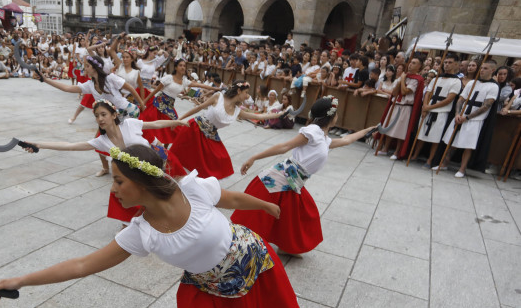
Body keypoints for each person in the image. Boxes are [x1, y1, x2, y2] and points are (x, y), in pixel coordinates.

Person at [0, 143, 328, 308]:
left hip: (252, 255)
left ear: (141, 182)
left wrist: (266, 204)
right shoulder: (140, 233)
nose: (113, 189)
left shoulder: (192, 189)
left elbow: (233, 200)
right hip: (211, 283)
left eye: (119, 181)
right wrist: (21, 280)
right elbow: (82, 265)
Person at [233, 96, 377, 255]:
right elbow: (284, 146)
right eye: (336, 114)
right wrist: (254, 157)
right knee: (258, 217)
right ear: (330, 116)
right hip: (279, 178)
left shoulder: (324, 138)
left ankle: (285, 246)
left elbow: (346, 140)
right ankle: (246, 244)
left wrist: (367, 130)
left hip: (295, 183)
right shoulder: (312, 131)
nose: (337, 117)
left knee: (299, 215)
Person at [15, 99, 186, 223]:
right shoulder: (101, 141)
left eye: (103, 114)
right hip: (138, 172)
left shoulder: (130, 124)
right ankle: (133, 221)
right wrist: (38, 144)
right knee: (124, 191)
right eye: (97, 116)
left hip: (160, 160)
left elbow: (155, 124)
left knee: (179, 188)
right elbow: (70, 145)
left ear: (113, 115)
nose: (100, 119)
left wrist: (176, 121)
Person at [168, 81, 289, 179]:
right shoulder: (218, 97)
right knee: (177, 156)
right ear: (238, 91)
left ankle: (194, 184)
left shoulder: (238, 111)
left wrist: (278, 115)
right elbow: (199, 108)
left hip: (210, 135)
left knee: (221, 161)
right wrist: (179, 120)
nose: (247, 95)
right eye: (246, 92)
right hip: (195, 128)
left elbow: (258, 116)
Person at [436, 60, 500, 178]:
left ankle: (462, 169)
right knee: (452, 141)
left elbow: (486, 105)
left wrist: (468, 117)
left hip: (474, 120)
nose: (482, 70)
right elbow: (461, 99)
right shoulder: (472, 83)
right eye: (481, 68)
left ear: (492, 70)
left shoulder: (494, 86)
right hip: (461, 116)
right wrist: (457, 114)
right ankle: (444, 163)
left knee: (468, 145)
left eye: (485, 68)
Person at [139, 59, 219, 143]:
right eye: (180, 65)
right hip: (158, 104)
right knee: (153, 125)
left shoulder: (185, 81)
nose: (183, 67)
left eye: (184, 66)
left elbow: (201, 85)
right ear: (176, 67)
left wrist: (215, 88)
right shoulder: (168, 78)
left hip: (169, 107)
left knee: (174, 128)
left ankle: (165, 148)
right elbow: (155, 91)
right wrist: (144, 102)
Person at [412, 53, 462, 168]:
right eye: (445, 62)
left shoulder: (456, 81)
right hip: (428, 109)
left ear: (456, 64)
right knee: (421, 134)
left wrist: (430, 107)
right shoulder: (436, 79)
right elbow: (428, 93)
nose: (447, 65)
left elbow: (449, 99)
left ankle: (430, 160)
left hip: (441, 113)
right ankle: (415, 155)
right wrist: (425, 106)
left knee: (435, 137)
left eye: (450, 62)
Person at [378, 56, 425, 160]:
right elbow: (395, 93)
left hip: (406, 107)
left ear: (419, 66)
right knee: (390, 126)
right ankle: (385, 148)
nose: (410, 65)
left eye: (414, 63)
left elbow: (404, 92)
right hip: (396, 104)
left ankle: (397, 151)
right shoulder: (404, 76)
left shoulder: (417, 80)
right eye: (410, 62)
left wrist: (403, 79)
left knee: (401, 130)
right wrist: (400, 80)